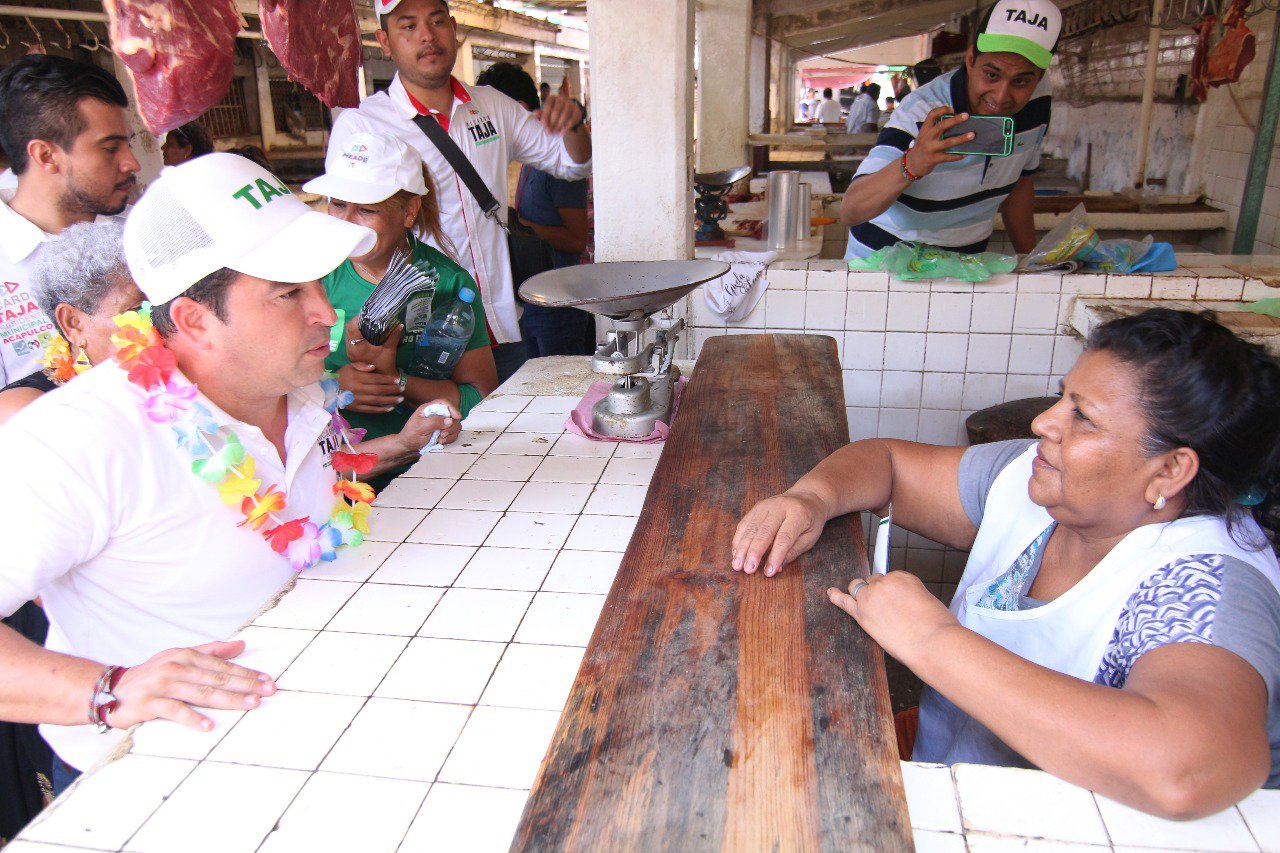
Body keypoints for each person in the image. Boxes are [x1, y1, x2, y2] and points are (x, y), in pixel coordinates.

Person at [0, 153, 451, 793]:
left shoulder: (301, 391)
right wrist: (106, 691)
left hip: (316, 735)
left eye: (320, 283)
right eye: (290, 292)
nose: (326, 312)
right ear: (195, 320)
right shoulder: (79, 439)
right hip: (163, 774)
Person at [732, 308, 1280, 819]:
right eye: (1061, 397)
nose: (1044, 421)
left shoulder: (1204, 584)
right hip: (961, 781)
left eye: (1082, 417)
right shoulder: (1035, 483)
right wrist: (811, 498)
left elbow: (1188, 770)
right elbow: (888, 464)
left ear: (1168, 472)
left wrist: (929, 640)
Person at [330, 0, 592, 383]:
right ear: (384, 42)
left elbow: (571, 163)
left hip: (499, 325)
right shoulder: (363, 126)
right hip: (416, 339)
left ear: (453, 28)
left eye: (437, 21)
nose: (426, 35)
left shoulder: (491, 105)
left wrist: (573, 125)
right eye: (408, 26)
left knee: (510, 439)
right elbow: (352, 238)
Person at [302, 130, 497, 454]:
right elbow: (266, 387)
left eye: (367, 210)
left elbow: (480, 397)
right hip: (334, 474)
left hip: (425, 468)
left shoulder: (449, 284)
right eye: (337, 204)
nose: (346, 222)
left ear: (408, 211)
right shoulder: (308, 277)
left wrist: (396, 381)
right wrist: (334, 386)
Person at [840, 0, 1059, 260]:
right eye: (992, 75)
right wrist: (912, 164)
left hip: (964, 268)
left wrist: (1032, 262)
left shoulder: (1039, 99)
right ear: (970, 60)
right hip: (884, 269)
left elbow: (1021, 180)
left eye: (1021, 81)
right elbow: (851, 210)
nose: (1001, 96)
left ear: (1040, 75)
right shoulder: (923, 111)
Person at [0, 54, 140, 386]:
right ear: (46, 156)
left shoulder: (141, 238)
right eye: (110, 149)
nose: (132, 163)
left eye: (128, 144)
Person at [474, 62, 591, 358]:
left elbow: (577, 239)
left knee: (560, 389)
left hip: (559, 302)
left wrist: (523, 225)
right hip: (533, 299)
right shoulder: (527, 159)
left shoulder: (555, 167)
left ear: (517, 108)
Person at [0, 220, 144, 422]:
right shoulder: (23, 408)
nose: (155, 320)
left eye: (159, 305)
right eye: (137, 311)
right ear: (73, 324)